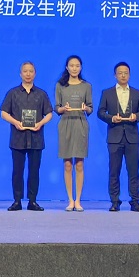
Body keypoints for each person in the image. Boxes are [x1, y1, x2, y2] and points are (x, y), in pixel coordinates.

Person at [0, 61, 54, 211]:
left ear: (35, 74)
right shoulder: (13, 93)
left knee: (34, 171)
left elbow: (49, 113)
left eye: (31, 71)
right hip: (18, 138)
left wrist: (41, 123)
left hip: (36, 138)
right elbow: (3, 113)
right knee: (17, 171)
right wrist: (16, 122)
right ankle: (17, 201)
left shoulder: (41, 94)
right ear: (20, 74)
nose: (28, 74)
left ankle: (32, 201)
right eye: (25, 71)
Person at [97, 62, 139, 212]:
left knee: (133, 171)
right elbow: (100, 112)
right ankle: (114, 201)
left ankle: (135, 201)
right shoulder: (107, 93)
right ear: (115, 75)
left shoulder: (137, 93)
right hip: (114, 137)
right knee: (114, 171)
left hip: (132, 137)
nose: (123, 75)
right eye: (120, 73)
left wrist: (136, 116)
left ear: (129, 75)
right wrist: (111, 118)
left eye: (126, 73)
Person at [55, 55, 93, 212]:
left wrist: (86, 108)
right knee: (67, 164)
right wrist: (62, 109)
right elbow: (57, 108)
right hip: (66, 124)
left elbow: (90, 108)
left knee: (79, 163)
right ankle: (70, 200)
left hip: (80, 124)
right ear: (67, 67)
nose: (74, 68)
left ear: (81, 67)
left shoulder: (86, 86)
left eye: (77, 66)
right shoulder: (60, 85)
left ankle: (78, 200)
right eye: (71, 65)